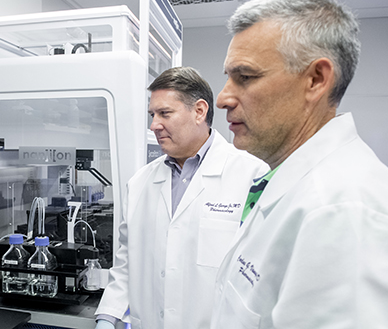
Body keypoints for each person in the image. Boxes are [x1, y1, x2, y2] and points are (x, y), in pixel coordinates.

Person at [210, 0, 388, 329]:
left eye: (245, 77)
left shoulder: (347, 217)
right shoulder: (294, 184)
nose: (223, 97)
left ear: (316, 79)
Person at [94, 66, 268, 329]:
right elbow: (126, 266)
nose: (154, 125)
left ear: (199, 111)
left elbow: (261, 273)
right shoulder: (140, 183)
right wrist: (108, 317)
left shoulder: (252, 175)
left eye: (165, 113)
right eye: (152, 115)